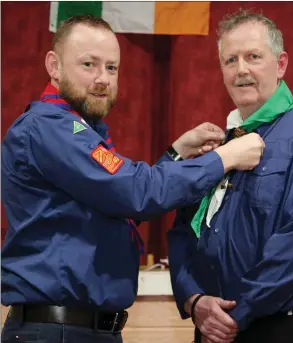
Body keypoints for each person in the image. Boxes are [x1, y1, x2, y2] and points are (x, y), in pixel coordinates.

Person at [1, 15, 265, 343]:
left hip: (84, 329)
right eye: (88, 64)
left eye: (112, 68)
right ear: (54, 66)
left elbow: (122, 207)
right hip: (58, 330)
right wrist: (226, 158)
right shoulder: (51, 128)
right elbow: (136, 191)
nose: (102, 79)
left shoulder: (80, 131)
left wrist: (176, 153)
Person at [168, 9, 293, 343]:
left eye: (253, 57)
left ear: (281, 64)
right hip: (212, 330)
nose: (241, 69)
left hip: (282, 328)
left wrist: (235, 315)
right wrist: (195, 300)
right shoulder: (218, 146)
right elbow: (182, 232)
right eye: (230, 60)